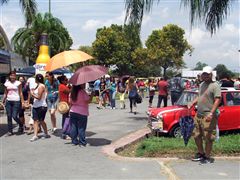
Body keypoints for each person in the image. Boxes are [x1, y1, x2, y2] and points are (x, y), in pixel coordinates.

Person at [188, 66, 221, 164]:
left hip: (208, 115)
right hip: (199, 114)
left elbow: (217, 100)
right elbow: (199, 96)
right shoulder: (202, 84)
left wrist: (211, 113)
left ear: (211, 75)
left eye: (207, 74)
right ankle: (201, 153)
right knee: (196, 135)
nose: (205, 76)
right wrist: (192, 102)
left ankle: (207, 157)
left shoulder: (215, 85)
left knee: (208, 137)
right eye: (204, 74)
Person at [2, 71, 24, 135]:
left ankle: (21, 124)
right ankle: (10, 131)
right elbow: (5, 93)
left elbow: (20, 92)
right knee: (9, 116)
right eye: (11, 75)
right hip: (8, 101)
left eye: (14, 75)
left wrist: (22, 102)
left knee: (14, 116)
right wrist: (3, 101)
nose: (13, 76)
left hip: (16, 101)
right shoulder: (6, 83)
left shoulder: (18, 83)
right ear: (9, 76)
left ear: (15, 76)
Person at [30, 74, 50, 142]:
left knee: (41, 121)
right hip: (36, 106)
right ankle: (35, 135)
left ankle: (46, 133)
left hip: (41, 106)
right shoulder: (37, 85)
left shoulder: (41, 86)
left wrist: (32, 94)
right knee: (35, 120)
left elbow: (39, 97)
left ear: (36, 79)